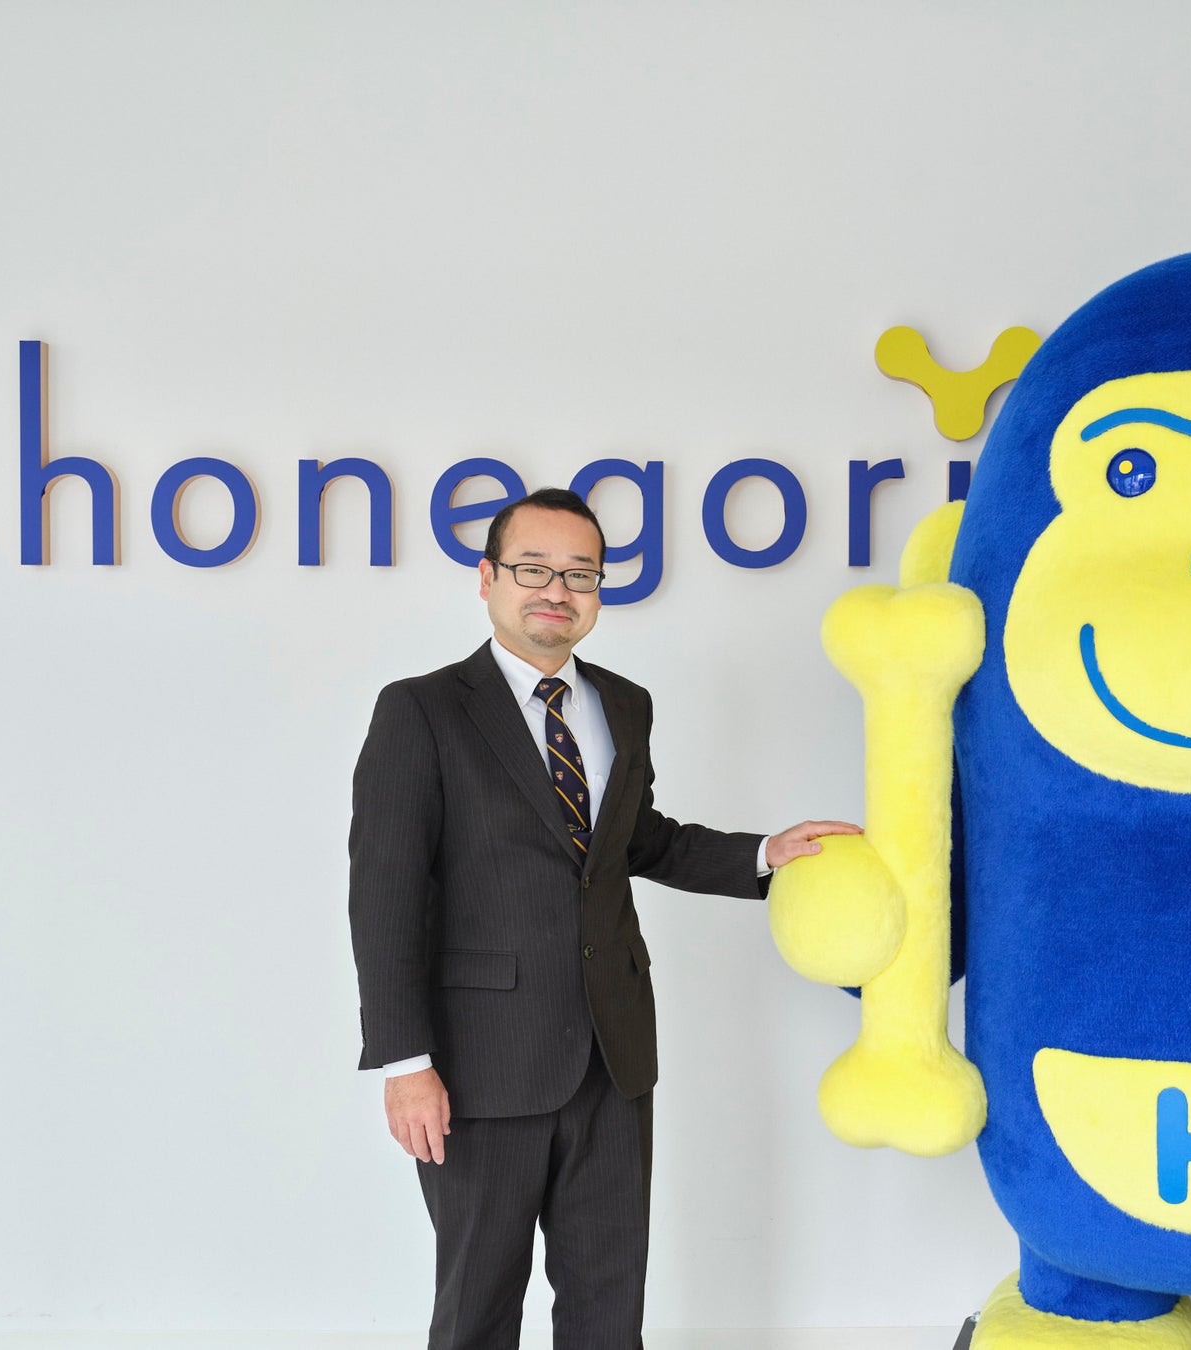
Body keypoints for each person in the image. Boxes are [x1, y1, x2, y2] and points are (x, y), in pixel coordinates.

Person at [347, 487, 858, 1350]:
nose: (557, 590)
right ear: (487, 578)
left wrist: (764, 852)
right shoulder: (421, 710)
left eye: (579, 573)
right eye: (533, 569)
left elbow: (631, 839)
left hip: (613, 1056)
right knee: (477, 1309)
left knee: (608, 1307)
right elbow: (384, 896)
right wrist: (406, 1064)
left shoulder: (623, 703)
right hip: (481, 1065)